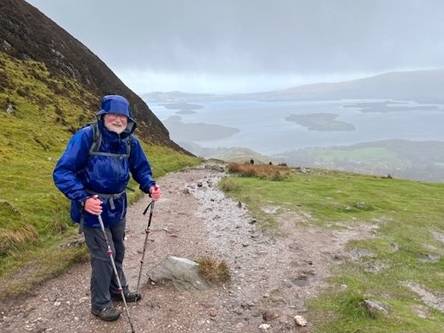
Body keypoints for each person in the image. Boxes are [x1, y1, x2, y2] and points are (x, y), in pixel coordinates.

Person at [53, 95, 161, 321]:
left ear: (128, 119)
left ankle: (117, 289)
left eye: (122, 116)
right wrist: (83, 198)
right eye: (113, 114)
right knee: (104, 255)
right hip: (93, 208)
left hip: (118, 206)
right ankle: (100, 304)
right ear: (103, 116)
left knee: (118, 251)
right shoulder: (86, 137)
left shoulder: (130, 141)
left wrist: (150, 185)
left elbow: (141, 168)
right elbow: (62, 172)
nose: (118, 120)